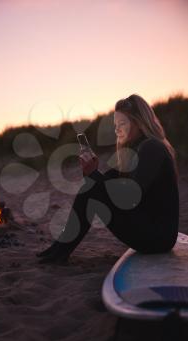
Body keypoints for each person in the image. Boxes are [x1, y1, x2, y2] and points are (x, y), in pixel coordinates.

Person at [36, 94, 180, 263]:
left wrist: (94, 176)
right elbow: (106, 186)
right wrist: (92, 172)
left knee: (92, 187)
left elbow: (132, 195)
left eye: (122, 123)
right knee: (91, 187)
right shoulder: (135, 151)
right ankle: (60, 248)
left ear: (138, 122)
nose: (116, 129)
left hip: (157, 238)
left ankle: (61, 250)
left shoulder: (151, 148)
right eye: (115, 125)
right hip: (147, 229)